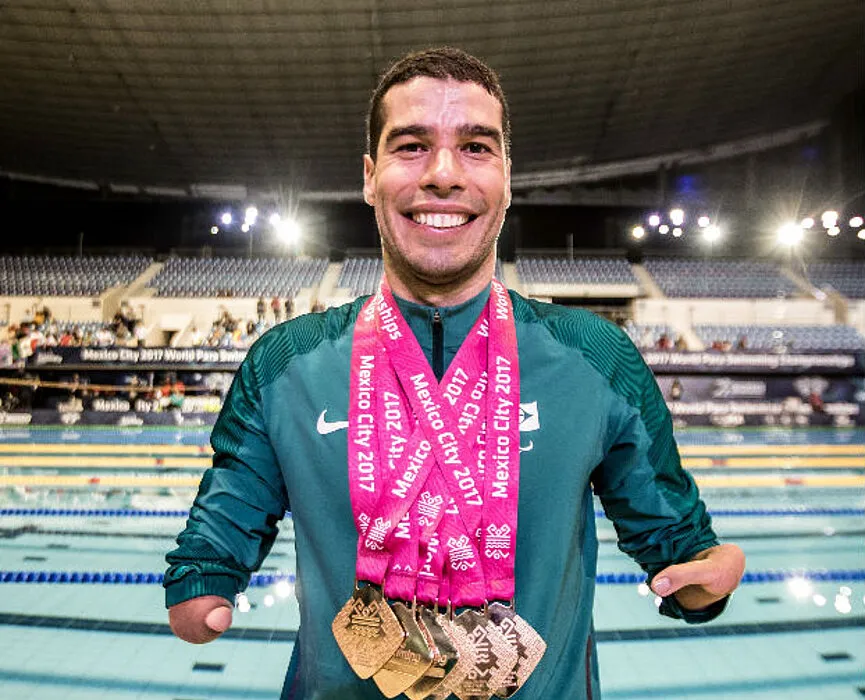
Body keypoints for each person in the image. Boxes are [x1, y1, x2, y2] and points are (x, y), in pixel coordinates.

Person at [165, 47, 745, 699]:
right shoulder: (284, 362)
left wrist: (701, 577)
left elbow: (675, 544)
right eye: (411, 146)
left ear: (506, 176)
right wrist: (202, 583)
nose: (443, 174)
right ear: (368, 175)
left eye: (475, 147)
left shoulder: (595, 357)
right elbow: (217, 534)